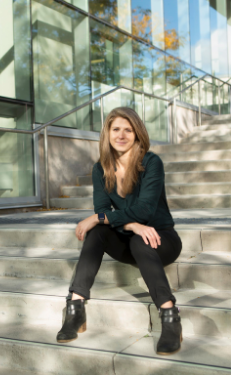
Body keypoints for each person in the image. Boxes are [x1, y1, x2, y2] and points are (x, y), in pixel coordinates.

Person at [57, 107, 184, 356]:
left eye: (129, 129)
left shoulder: (151, 162)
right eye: (116, 129)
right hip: (131, 236)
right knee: (97, 232)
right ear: (108, 133)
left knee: (137, 240)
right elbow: (105, 212)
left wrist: (100, 217)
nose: (122, 135)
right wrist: (130, 224)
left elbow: (145, 210)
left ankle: (170, 315)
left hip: (161, 240)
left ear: (137, 134)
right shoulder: (100, 169)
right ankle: (76, 307)